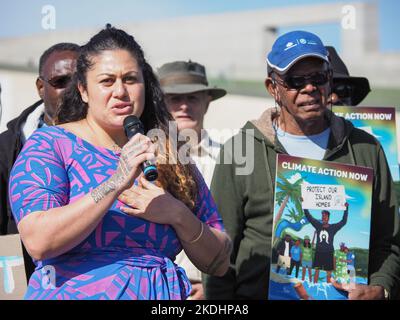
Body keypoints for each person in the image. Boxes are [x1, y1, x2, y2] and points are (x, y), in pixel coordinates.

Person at [8, 25, 231, 300]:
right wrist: (116, 181)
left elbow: (219, 261)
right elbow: (39, 241)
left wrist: (177, 215)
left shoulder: (169, 153)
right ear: (83, 90)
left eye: (130, 79)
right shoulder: (51, 144)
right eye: (106, 81)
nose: (121, 91)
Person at [204, 30, 400, 300]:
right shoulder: (240, 151)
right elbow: (218, 251)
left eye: (317, 77)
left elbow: (388, 242)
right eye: (295, 81)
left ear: (329, 79)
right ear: (272, 87)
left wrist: (382, 287)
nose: (309, 88)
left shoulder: (367, 148)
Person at [0, 42, 80, 281]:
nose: (70, 90)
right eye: (60, 82)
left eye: (78, 80)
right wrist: (10, 292)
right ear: (40, 87)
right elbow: (3, 236)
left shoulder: (112, 142)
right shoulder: (6, 149)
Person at [157, 60, 227, 299]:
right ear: (160, 103)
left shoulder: (230, 159)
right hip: (157, 289)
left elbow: (242, 232)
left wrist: (212, 288)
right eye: (175, 98)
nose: (184, 106)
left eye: (193, 98)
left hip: (215, 288)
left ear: (207, 102)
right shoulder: (143, 159)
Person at [303, 205, 348, 284]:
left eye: (325, 216)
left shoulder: (333, 227)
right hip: (318, 253)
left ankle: (328, 288)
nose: (324, 217)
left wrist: (346, 209)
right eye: (322, 215)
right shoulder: (318, 225)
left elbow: (343, 221)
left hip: (329, 253)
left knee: (329, 273)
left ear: (328, 217)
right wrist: (305, 204)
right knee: (316, 271)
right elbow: (309, 217)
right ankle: (314, 286)